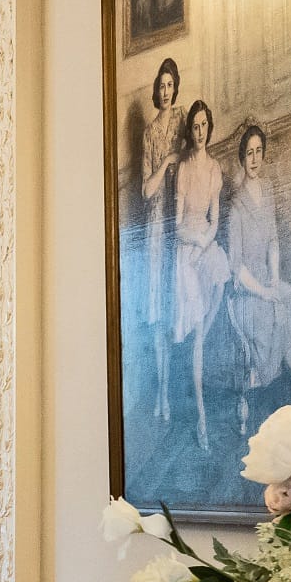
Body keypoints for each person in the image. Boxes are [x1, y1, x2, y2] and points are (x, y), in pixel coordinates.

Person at [224, 126, 291, 430]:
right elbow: (236, 267)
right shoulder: (235, 206)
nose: (254, 159)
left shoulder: (267, 189)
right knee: (280, 314)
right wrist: (265, 292)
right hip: (247, 294)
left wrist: (275, 281)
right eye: (249, 153)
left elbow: (274, 240)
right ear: (242, 158)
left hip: (267, 279)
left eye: (259, 152)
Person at [166, 100, 231, 451]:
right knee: (195, 339)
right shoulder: (184, 170)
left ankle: (203, 334)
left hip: (206, 243)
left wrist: (206, 242)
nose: (201, 131)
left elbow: (215, 220)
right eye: (195, 126)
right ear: (189, 131)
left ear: (210, 128)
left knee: (222, 276)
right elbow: (176, 226)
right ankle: (201, 418)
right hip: (186, 249)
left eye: (205, 125)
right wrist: (196, 242)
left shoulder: (214, 169)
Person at [131, 57, 184, 425]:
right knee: (158, 312)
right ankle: (163, 394)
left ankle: (179, 392)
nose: (165, 92)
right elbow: (147, 190)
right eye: (160, 86)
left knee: (178, 308)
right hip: (155, 232)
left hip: (179, 224)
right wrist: (166, 161)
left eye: (170, 85)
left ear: (175, 88)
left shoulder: (184, 120)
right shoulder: (150, 134)